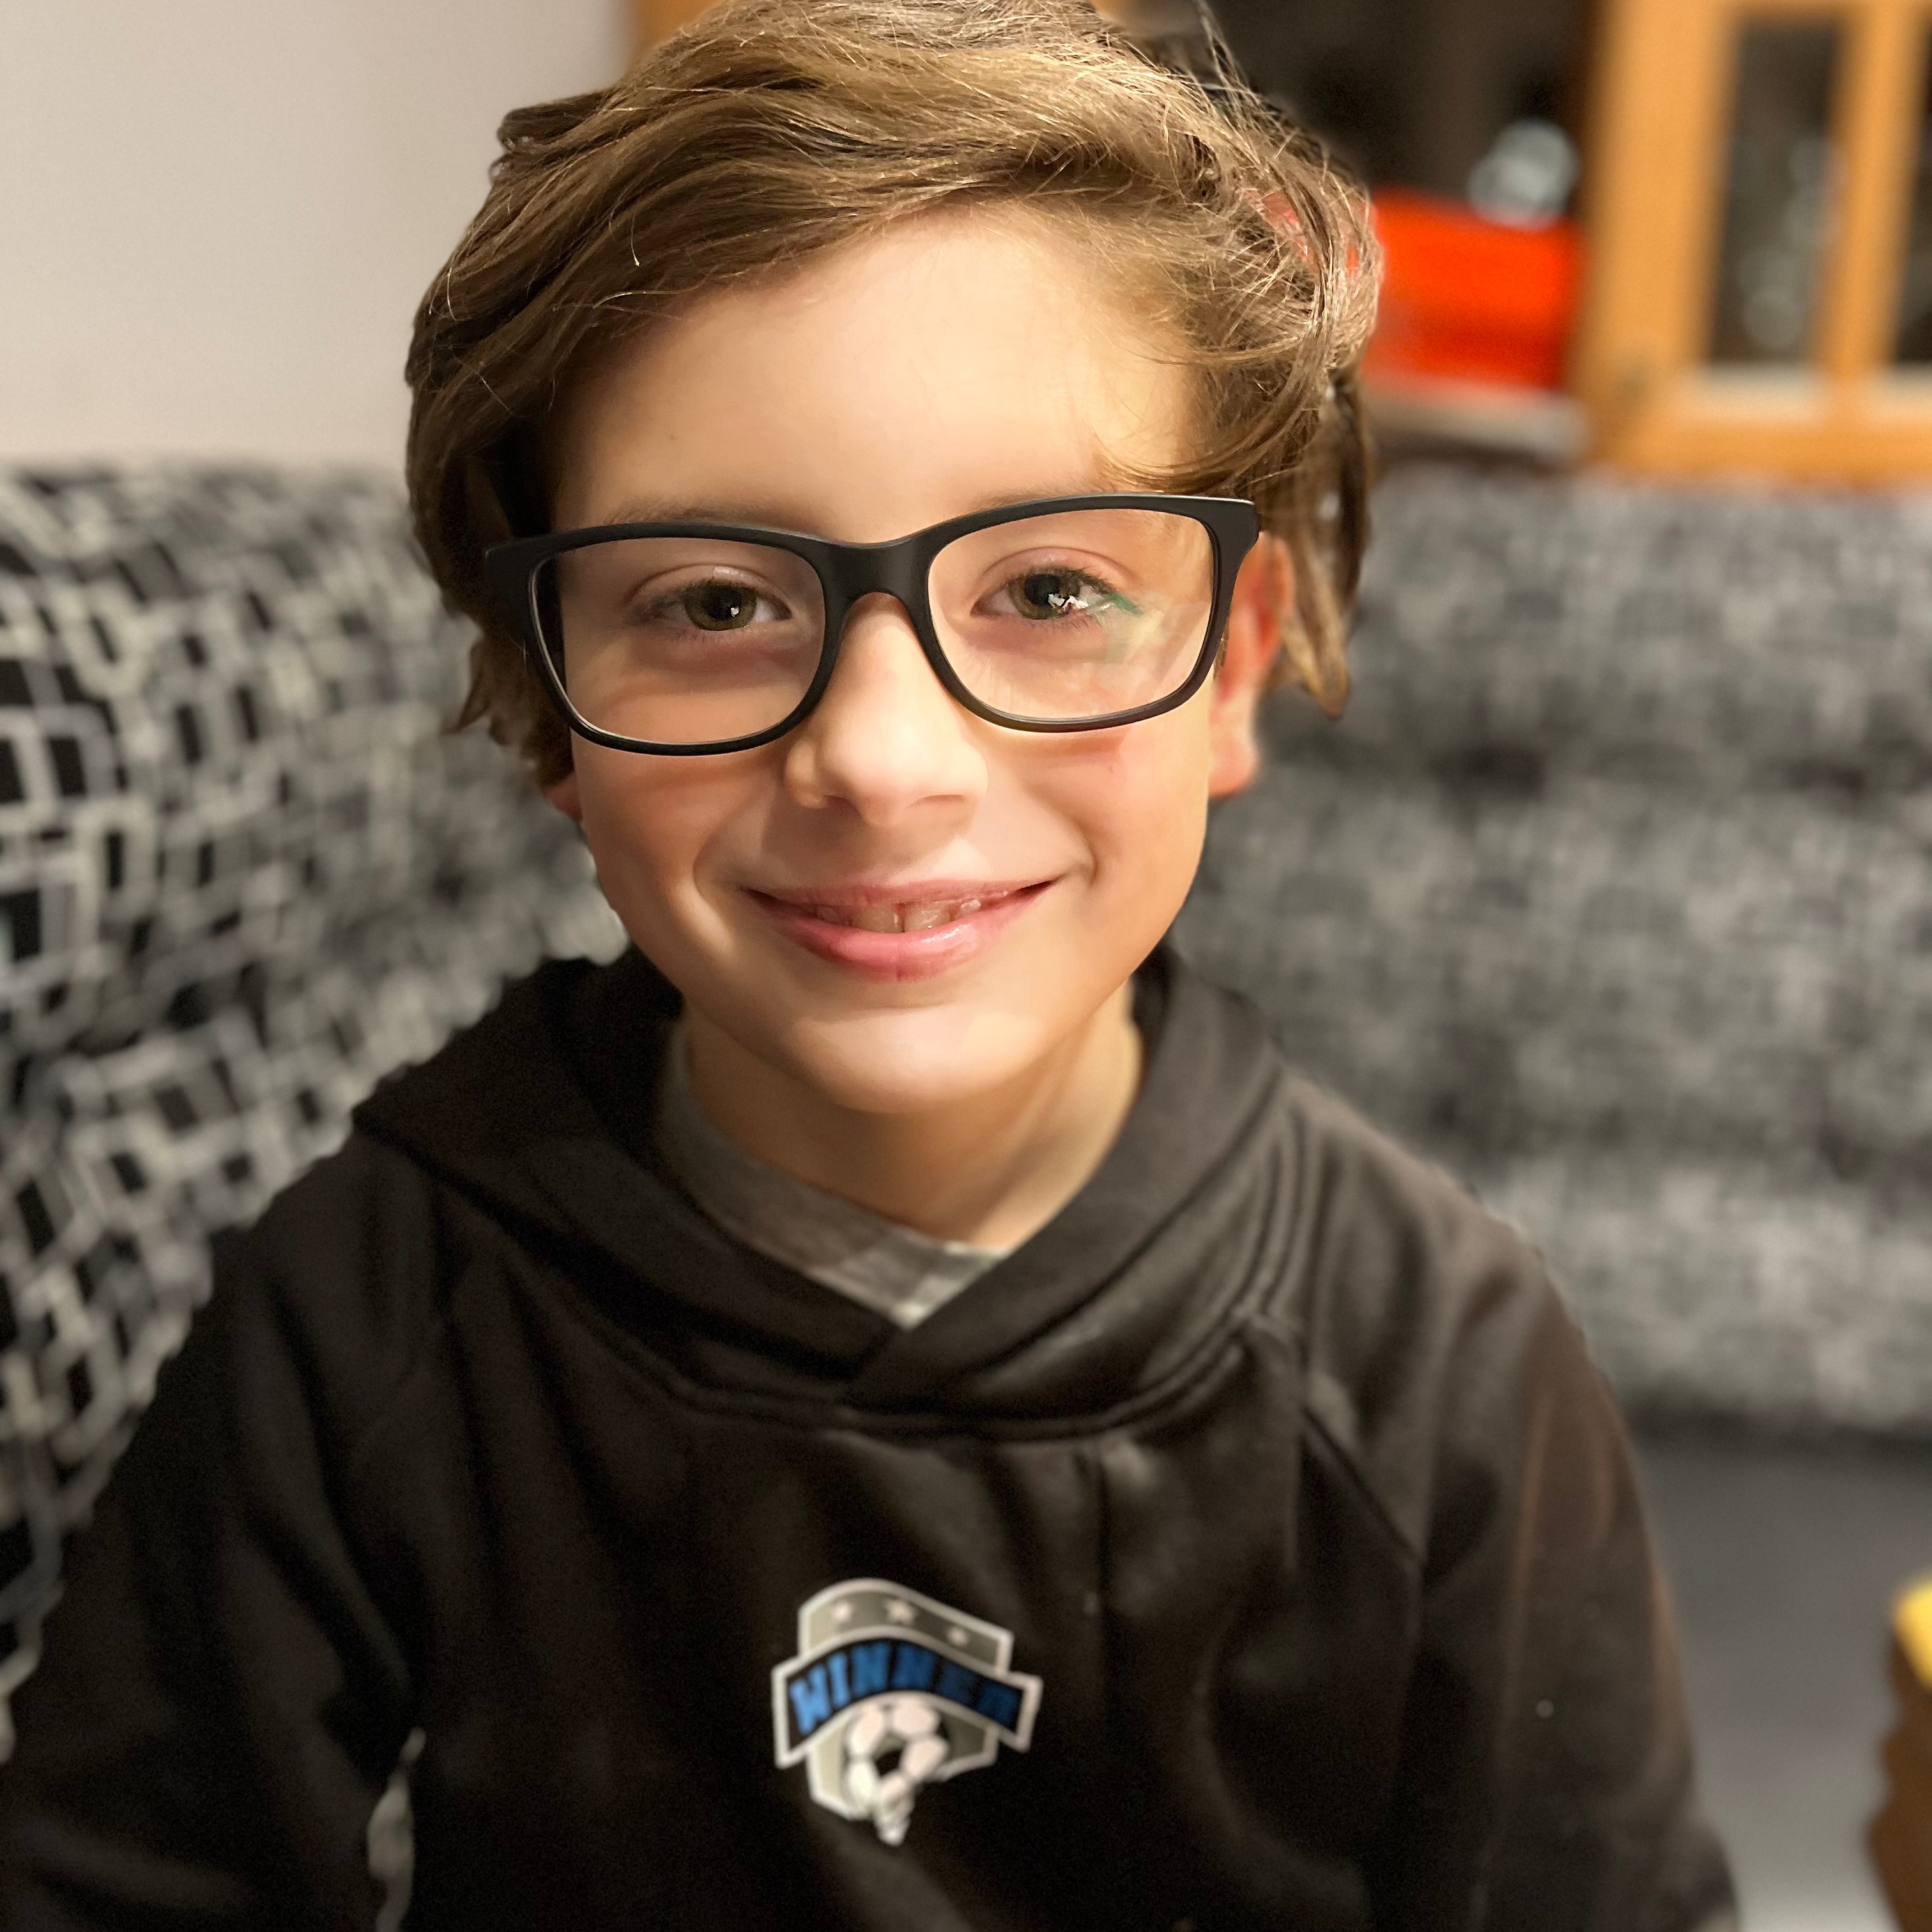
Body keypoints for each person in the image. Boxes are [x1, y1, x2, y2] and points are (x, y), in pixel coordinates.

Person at [0, 0, 1736, 1925]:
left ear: (1234, 664)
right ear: (552, 706)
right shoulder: (374, 1306)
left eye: (1052, 588)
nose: (885, 762)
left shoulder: (1445, 1371)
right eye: (713, 603)